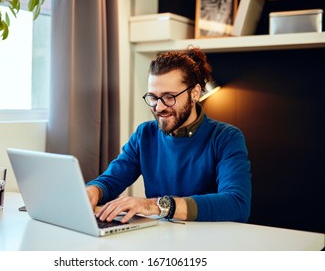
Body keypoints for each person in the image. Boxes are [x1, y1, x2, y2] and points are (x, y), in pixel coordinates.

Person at [86, 47, 251, 224]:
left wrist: (155, 206)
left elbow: (237, 204)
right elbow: (111, 181)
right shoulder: (145, 135)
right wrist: (91, 192)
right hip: (160, 240)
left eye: (169, 97)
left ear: (194, 93)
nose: (158, 107)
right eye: (153, 97)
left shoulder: (226, 138)